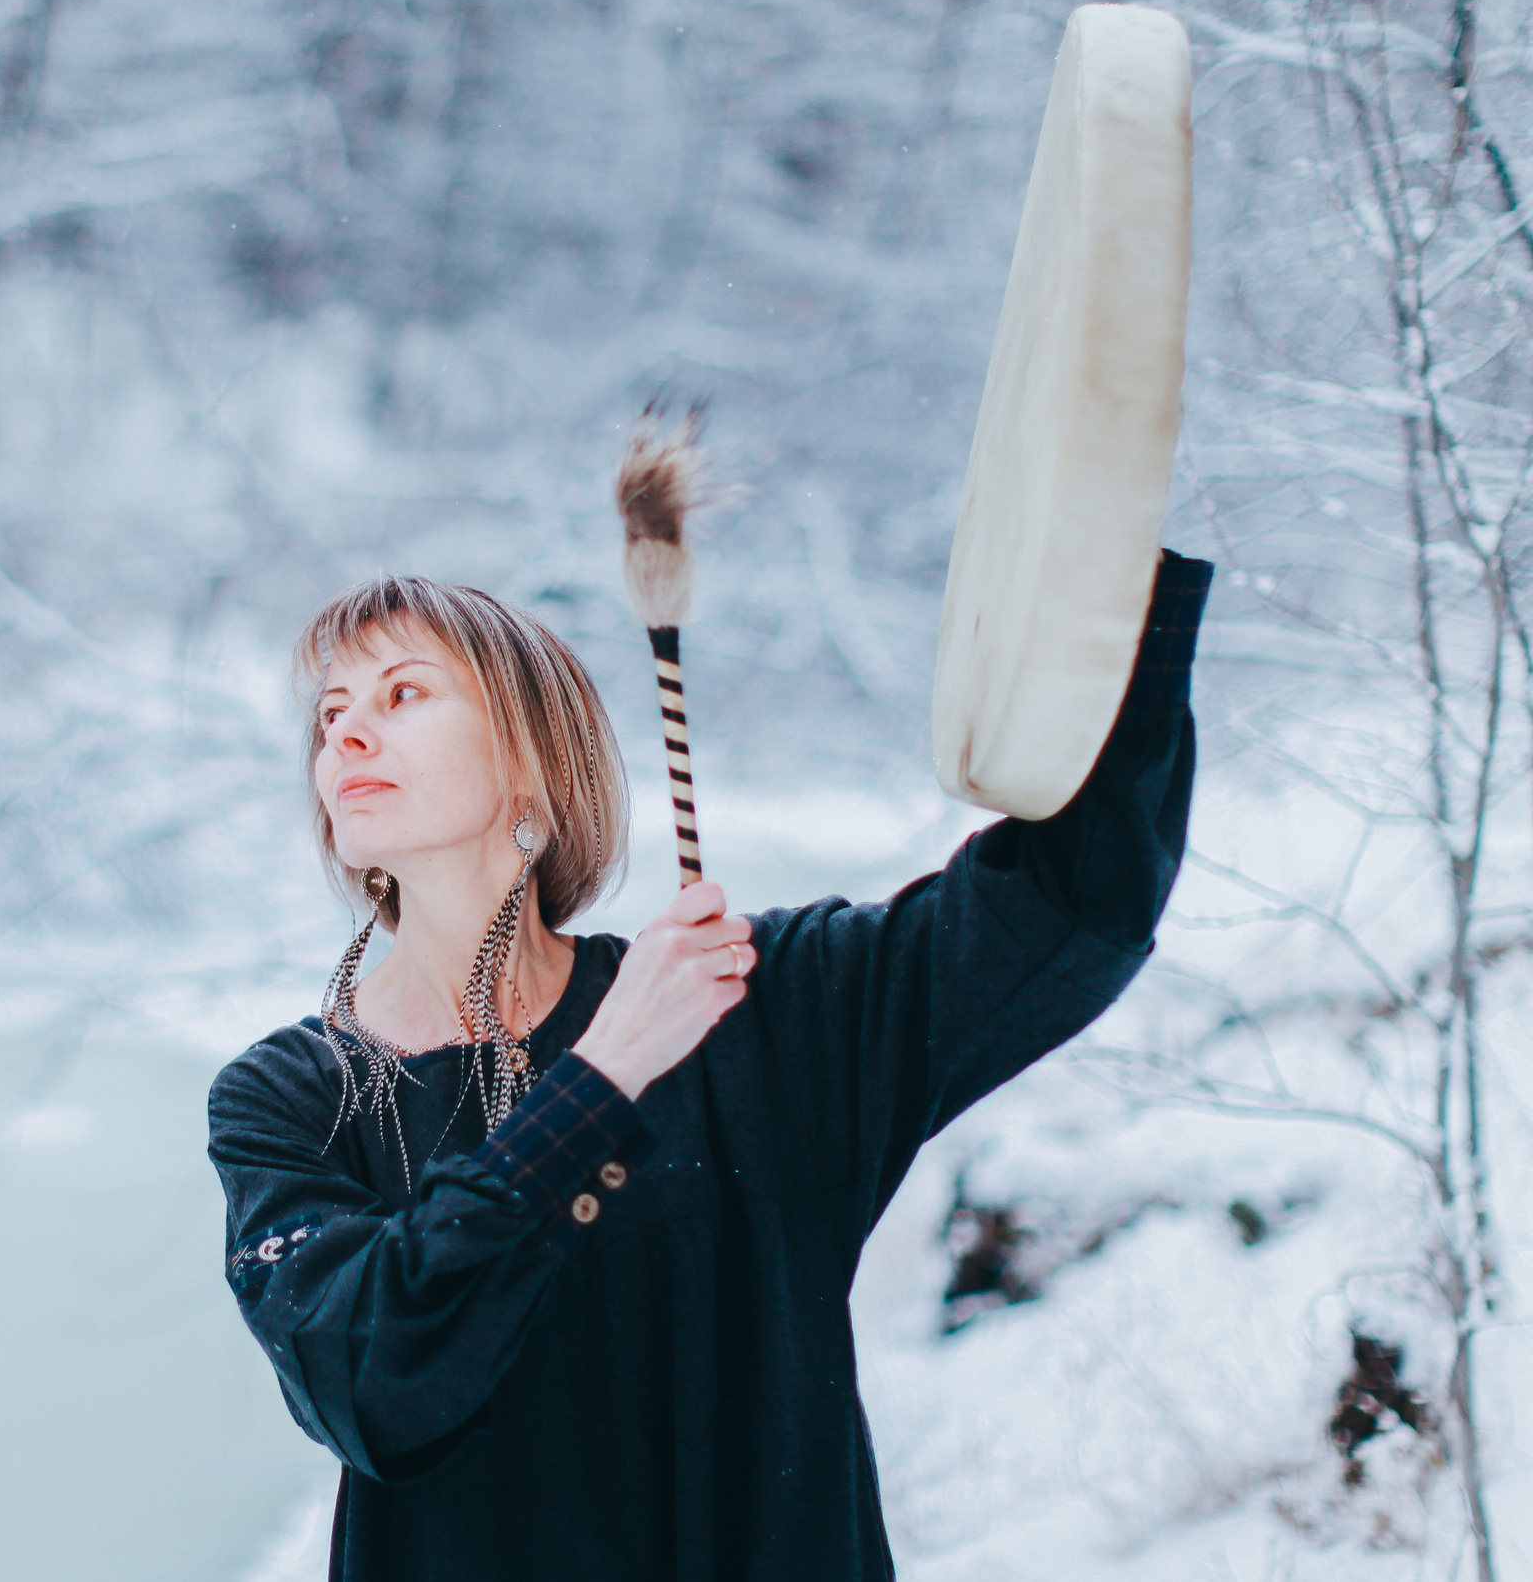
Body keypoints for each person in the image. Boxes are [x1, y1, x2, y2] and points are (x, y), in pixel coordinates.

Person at [206, 554, 1211, 1580]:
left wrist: (1107, 576)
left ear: (532, 757)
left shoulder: (749, 1006)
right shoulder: (287, 1099)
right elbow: (369, 1377)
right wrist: (604, 1074)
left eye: (402, 694)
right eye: (331, 713)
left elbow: (1070, 905)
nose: (344, 735)